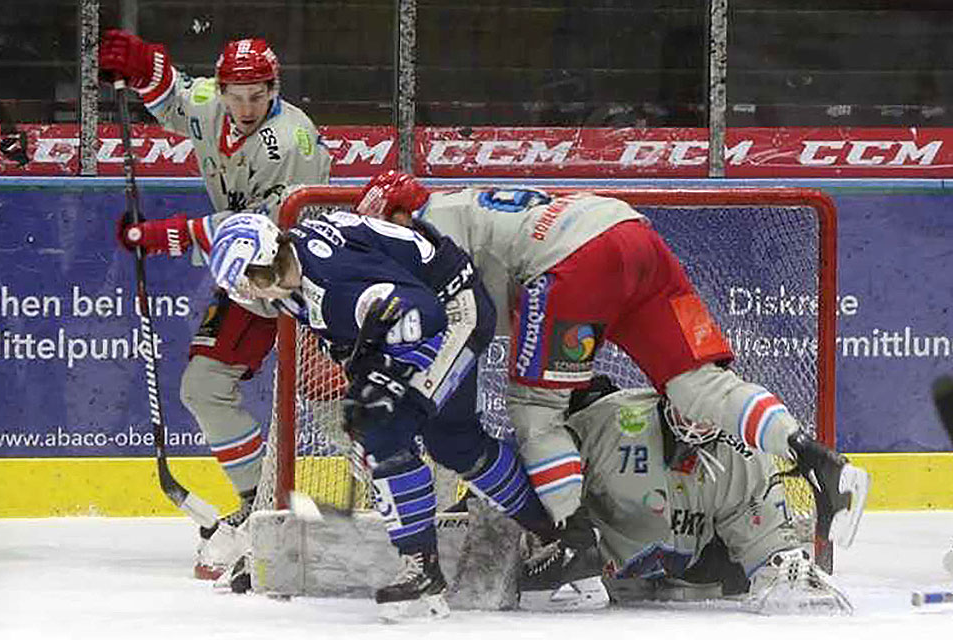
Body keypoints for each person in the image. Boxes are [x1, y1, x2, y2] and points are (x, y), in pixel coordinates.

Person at [352, 171, 870, 562]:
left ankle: (574, 552)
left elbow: (452, 334)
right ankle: (820, 460)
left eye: (376, 233)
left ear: (398, 217)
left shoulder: (425, 234)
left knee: (536, 410)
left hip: (573, 264)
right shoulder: (460, 209)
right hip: (635, 236)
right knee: (697, 384)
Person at [205, 210, 608, 620]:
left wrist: (383, 384)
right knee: (454, 443)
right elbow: (357, 329)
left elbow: (424, 316)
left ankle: (422, 569)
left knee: (384, 430)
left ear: (271, 256)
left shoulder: (335, 281)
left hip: (451, 316)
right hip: (431, 305)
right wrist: (362, 367)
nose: (251, 293)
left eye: (250, 280)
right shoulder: (293, 278)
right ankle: (566, 540)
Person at [100, 30, 332, 579]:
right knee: (204, 387)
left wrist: (168, 234)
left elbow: (263, 232)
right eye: (237, 94)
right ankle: (261, 507)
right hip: (249, 282)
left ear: (275, 89)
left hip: (303, 278)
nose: (247, 108)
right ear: (223, 88)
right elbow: (178, 102)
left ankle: (419, 506)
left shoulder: (291, 140)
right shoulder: (212, 103)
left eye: (258, 95)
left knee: (336, 409)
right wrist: (145, 66)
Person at [563, 374, 853, 614]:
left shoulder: (742, 451)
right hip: (602, 573)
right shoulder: (608, 421)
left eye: (708, 406)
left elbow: (761, 534)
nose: (696, 417)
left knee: (741, 574)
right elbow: (551, 479)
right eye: (689, 401)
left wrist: (781, 564)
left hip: (693, 572)